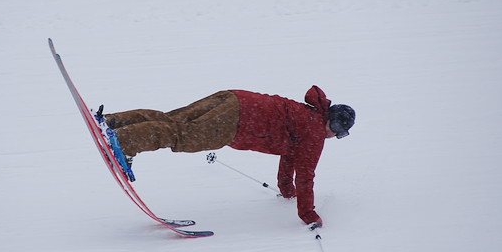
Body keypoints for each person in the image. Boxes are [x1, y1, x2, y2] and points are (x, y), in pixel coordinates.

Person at [99, 86, 355, 227]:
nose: (334, 135)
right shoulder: (314, 131)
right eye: (337, 129)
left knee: (174, 120)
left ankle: (113, 122)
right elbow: (307, 176)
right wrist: (308, 214)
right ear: (331, 120)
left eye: (340, 134)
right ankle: (123, 141)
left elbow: (291, 157)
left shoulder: (307, 117)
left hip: (234, 98)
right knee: (181, 135)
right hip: (238, 121)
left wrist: (286, 190)